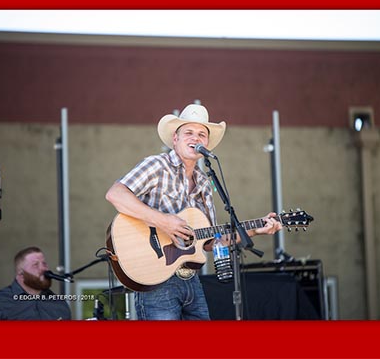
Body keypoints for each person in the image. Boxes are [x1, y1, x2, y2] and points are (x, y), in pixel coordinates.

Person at [105, 103, 282, 320]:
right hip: (156, 281)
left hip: (191, 281)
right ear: (175, 139)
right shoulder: (157, 166)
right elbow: (115, 194)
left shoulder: (205, 183)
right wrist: (163, 221)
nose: (195, 138)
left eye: (201, 134)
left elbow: (210, 241)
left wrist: (254, 231)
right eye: (188, 132)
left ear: (207, 144)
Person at [0, 246, 71, 320]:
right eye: (35, 265)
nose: (43, 269)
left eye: (44, 264)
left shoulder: (59, 304)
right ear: (21, 273)